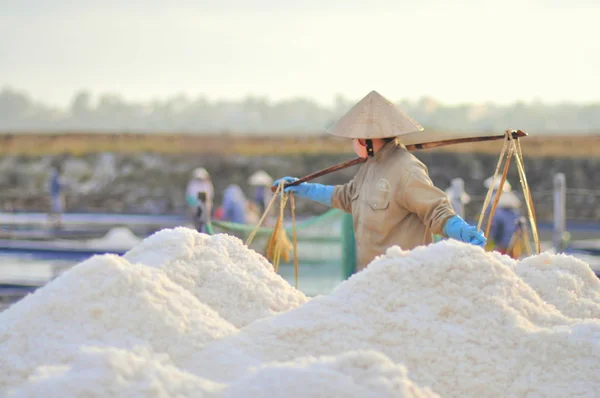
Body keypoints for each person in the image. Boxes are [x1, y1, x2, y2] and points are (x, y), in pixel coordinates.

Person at [273, 90, 486, 271]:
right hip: (371, 278)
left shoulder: (406, 169)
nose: (354, 143)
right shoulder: (371, 166)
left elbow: (436, 211)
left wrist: (458, 229)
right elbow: (346, 197)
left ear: (369, 139)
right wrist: (304, 188)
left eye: (357, 139)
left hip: (403, 279)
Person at [483, 177, 522, 255]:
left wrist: (493, 239)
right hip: (514, 244)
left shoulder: (498, 213)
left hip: (501, 244)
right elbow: (520, 229)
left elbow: (496, 228)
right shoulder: (516, 213)